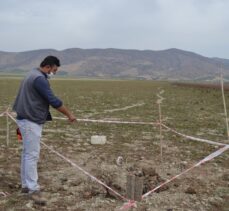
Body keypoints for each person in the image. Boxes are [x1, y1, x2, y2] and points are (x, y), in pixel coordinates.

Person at [13, 55, 76, 205]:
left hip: (24, 118)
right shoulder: (39, 79)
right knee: (32, 155)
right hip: (30, 120)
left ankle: (26, 186)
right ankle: (33, 190)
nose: (53, 73)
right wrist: (69, 114)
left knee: (27, 153)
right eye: (54, 70)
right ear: (48, 66)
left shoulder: (31, 73)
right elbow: (53, 100)